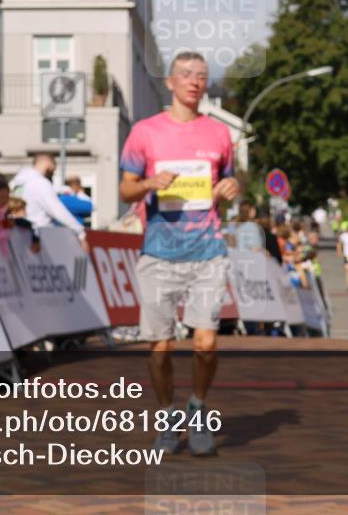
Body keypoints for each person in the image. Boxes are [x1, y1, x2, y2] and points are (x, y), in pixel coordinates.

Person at [118, 50, 239, 456]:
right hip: (159, 251)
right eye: (186, 74)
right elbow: (125, 189)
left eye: (202, 76)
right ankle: (168, 417)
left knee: (206, 343)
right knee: (162, 346)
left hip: (207, 250)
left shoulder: (220, 134)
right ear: (170, 83)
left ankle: (198, 406)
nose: (194, 81)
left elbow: (228, 183)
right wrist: (151, 182)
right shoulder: (145, 132)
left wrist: (230, 189)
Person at [10, 153, 87, 249]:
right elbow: (57, 211)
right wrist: (80, 232)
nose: (53, 173)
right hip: (39, 237)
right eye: (53, 170)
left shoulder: (19, 181)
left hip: (19, 234)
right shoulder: (40, 183)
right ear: (49, 164)